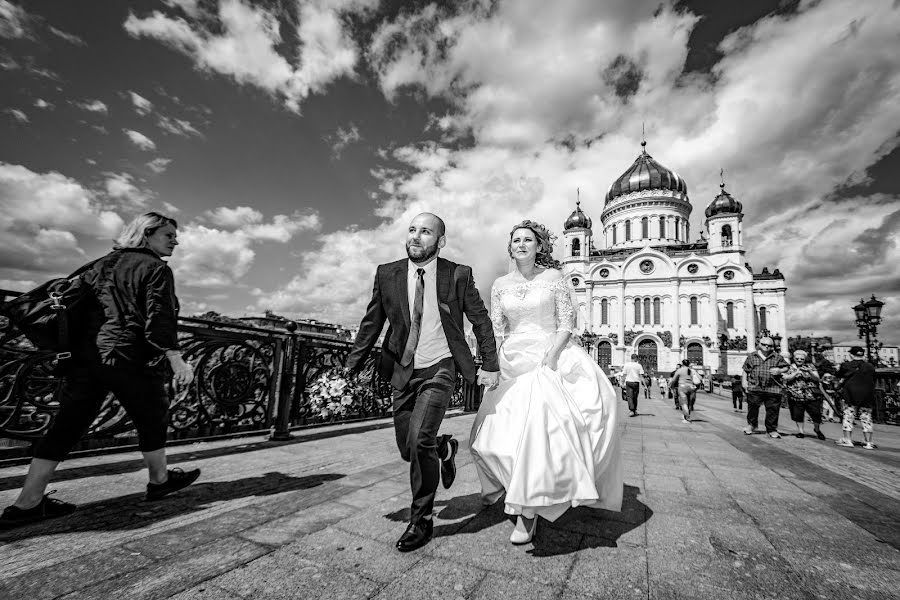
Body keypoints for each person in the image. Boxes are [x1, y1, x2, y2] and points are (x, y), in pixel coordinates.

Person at [0, 212, 200, 530]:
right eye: (168, 235)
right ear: (146, 235)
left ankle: (27, 503)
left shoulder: (100, 264)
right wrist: (176, 359)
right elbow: (158, 318)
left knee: (67, 426)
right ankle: (159, 480)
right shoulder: (155, 268)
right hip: (127, 357)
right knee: (153, 415)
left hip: (87, 358)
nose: (176, 240)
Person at [344, 213, 500, 552]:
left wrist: (490, 364)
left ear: (440, 241)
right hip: (402, 370)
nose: (416, 236)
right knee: (408, 449)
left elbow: (480, 320)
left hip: (440, 369)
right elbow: (372, 321)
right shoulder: (387, 273)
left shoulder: (458, 274)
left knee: (418, 440)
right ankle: (445, 448)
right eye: (412, 230)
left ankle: (422, 520)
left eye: (426, 232)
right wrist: (351, 364)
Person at [470, 219, 622, 545]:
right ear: (510, 248)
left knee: (538, 429)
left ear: (539, 246)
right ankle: (504, 483)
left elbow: (567, 322)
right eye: (516, 241)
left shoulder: (554, 278)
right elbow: (497, 328)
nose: (522, 245)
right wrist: (491, 365)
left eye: (528, 240)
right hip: (512, 358)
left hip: (548, 355)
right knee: (493, 432)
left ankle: (528, 511)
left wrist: (552, 355)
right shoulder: (499, 285)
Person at [742, 336, 790, 438]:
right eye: (764, 344)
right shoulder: (752, 356)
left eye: (769, 345)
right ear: (759, 345)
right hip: (755, 386)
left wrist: (779, 370)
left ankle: (772, 429)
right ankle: (751, 425)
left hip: (773, 387)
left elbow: (786, 367)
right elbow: (745, 370)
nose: (767, 347)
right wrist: (744, 382)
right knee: (753, 407)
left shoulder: (777, 357)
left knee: (773, 409)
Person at [834, 346, 877, 449]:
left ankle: (848, 440)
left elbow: (838, 375)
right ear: (863, 355)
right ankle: (868, 443)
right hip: (867, 395)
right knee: (866, 418)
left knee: (848, 416)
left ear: (851, 355)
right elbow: (874, 379)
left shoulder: (846, 365)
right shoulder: (870, 366)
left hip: (850, 394)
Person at [782, 350, 825, 440]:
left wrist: (810, 372)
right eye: (797, 358)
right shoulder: (789, 367)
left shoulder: (810, 366)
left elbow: (817, 378)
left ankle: (817, 429)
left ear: (805, 359)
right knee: (798, 414)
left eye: (802, 359)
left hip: (812, 395)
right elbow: (786, 379)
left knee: (816, 414)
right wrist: (795, 373)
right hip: (796, 395)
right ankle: (800, 431)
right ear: (794, 358)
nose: (799, 360)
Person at [669, 359, 697, 423]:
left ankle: (687, 417)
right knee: (689, 403)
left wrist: (671, 386)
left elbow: (674, 380)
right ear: (689, 364)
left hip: (682, 387)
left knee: (684, 403)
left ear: (682, 364)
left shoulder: (680, 370)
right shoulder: (692, 370)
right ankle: (686, 416)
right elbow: (699, 379)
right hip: (692, 387)